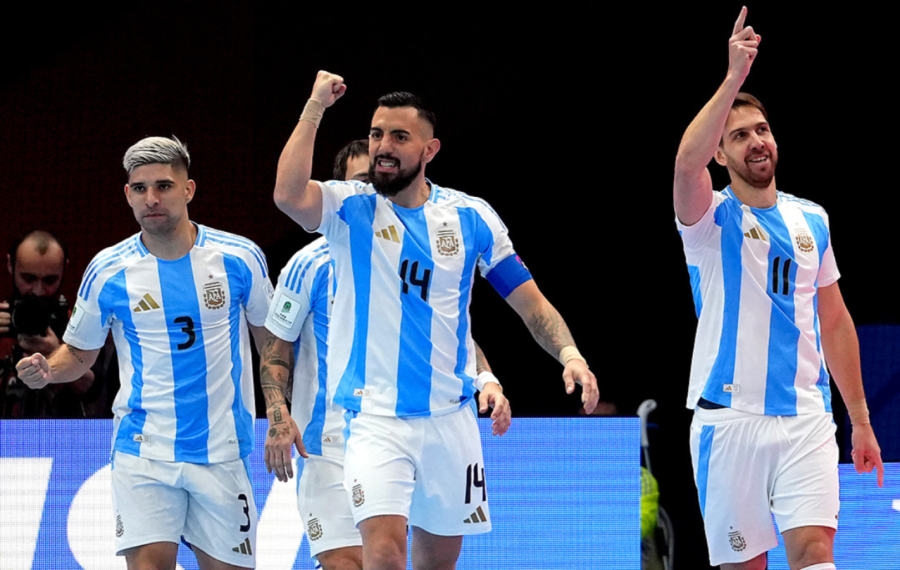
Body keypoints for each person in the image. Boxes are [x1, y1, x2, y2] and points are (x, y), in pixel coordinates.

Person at [270, 72, 598, 570]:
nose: (383, 146)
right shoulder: (350, 209)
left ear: (430, 149)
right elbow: (288, 194)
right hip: (373, 419)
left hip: (450, 419)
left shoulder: (472, 217)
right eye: (377, 133)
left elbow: (529, 303)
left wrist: (570, 355)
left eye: (399, 136)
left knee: (437, 563)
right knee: (382, 553)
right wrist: (315, 106)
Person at [673, 8, 883, 570]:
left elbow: (835, 321)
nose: (755, 142)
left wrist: (860, 420)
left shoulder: (812, 218)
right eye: (738, 136)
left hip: (806, 418)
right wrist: (732, 79)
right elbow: (684, 163)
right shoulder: (708, 219)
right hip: (729, 418)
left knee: (816, 554)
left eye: (761, 130)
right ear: (721, 155)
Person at [16, 136, 273, 570]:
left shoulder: (240, 258)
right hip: (143, 450)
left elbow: (272, 345)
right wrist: (47, 369)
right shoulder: (108, 270)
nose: (151, 199)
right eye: (140, 189)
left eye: (164, 186)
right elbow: (79, 355)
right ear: (128, 195)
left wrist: (282, 415)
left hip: (223, 449)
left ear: (188, 190)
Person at [260, 141, 511, 570]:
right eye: (362, 183)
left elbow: (449, 333)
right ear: (338, 190)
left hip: (402, 431)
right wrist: (278, 417)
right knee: (346, 564)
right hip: (327, 446)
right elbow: (275, 348)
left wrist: (486, 379)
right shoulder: (310, 265)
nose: (374, 192)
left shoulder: (411, 255)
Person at [1, 230, 114, 418]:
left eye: (50, 280)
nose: (38, 291)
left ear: (63, 270)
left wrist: (59, 357)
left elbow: (98, 393)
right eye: (28, 279)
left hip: (62, 436)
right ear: (10, 266)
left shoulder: (77, 322)